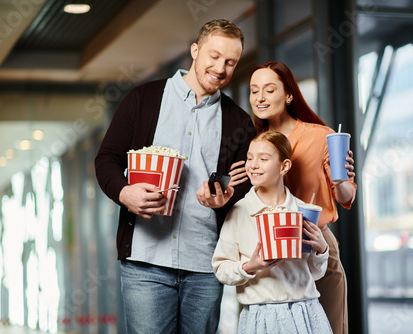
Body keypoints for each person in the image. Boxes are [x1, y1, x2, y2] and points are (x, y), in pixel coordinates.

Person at [95, 19, 256, 334]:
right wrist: (125, 193)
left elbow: (241, 185)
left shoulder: (240, 121)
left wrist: (226, 197)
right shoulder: (143, 100)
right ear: (195, 51)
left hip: (206, 265)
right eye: (214, 55)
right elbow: (107, 159)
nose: (221, 68)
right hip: (145, 260)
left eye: (230, 62)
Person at [248, 61, 357, 334]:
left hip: (313, 239)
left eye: (269, 90)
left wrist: (340, 178)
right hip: (269, 249)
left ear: (288, 95)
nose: (259, 98)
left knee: (330, 328)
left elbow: (346, 197)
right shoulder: (253, 143)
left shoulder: (321, 137)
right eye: (253, 91)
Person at [212, 131, 332, 334]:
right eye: (249, 158)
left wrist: (321, 249)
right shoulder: (239, 212)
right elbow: (221, 269)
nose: (253, 165)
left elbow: (315, 272)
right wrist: (251, 266)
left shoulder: (302, 211)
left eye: (263, 158)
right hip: (260, 315)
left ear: (284, 166)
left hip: (305, 310)